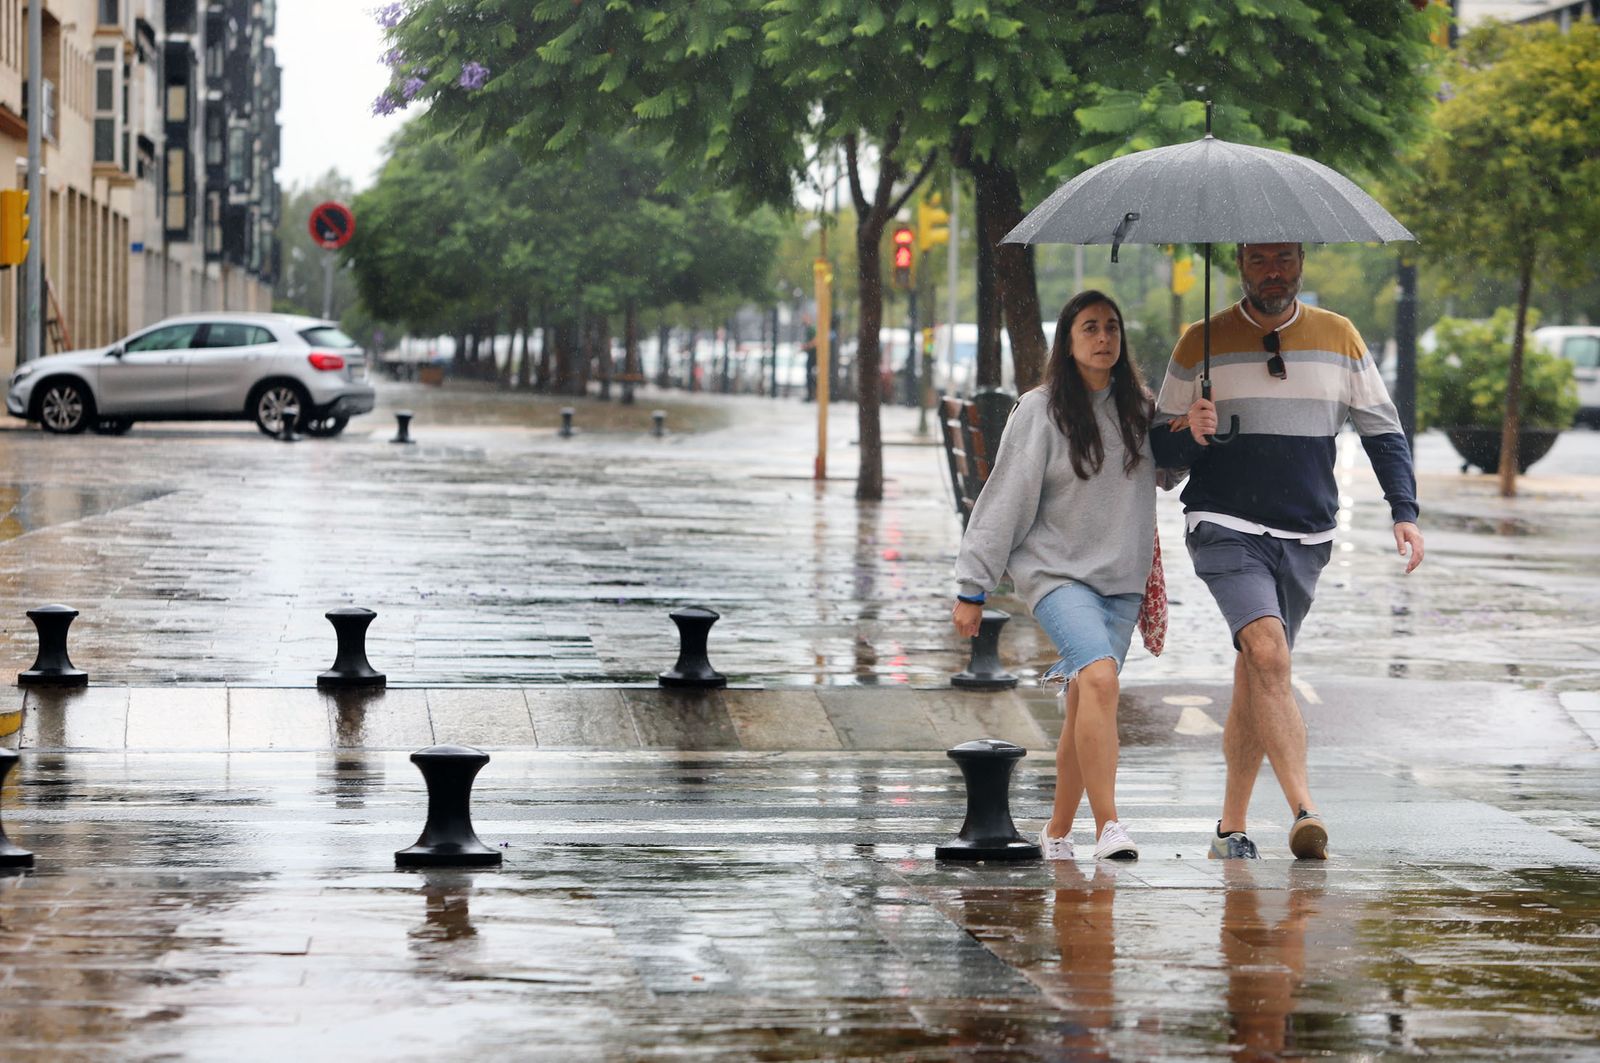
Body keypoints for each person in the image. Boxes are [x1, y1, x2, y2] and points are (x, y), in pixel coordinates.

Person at [1150, 242, 1425, 861]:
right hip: (1224, 523)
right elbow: (1159, 457)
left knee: (1258, 669)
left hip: (1307, 532)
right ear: (1239, 265)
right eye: (1259, 260)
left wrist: (1403, 510)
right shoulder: (1200, 342)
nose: (1273, 272)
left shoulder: (1340, 336)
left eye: (1284, 259)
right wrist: (1189, 433)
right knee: (1270, 655)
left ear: (1301, 261)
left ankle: (1230, 829)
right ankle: (1305, 810)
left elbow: (1382, 430)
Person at [952, 290, 1170, 862]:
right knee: (1099, 680)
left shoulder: (1141, 408)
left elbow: (1170, 472)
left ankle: (1056, 831)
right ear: (1068, 342)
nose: (1103, 338)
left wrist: (1196, 429)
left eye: (1112, 327)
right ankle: (1110, 826)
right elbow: (1003, 499)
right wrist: (973, 586)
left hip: (1122, 580)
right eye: (1090, 328)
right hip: (1056, 575)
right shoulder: (1040, 410)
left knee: (1084, 701)